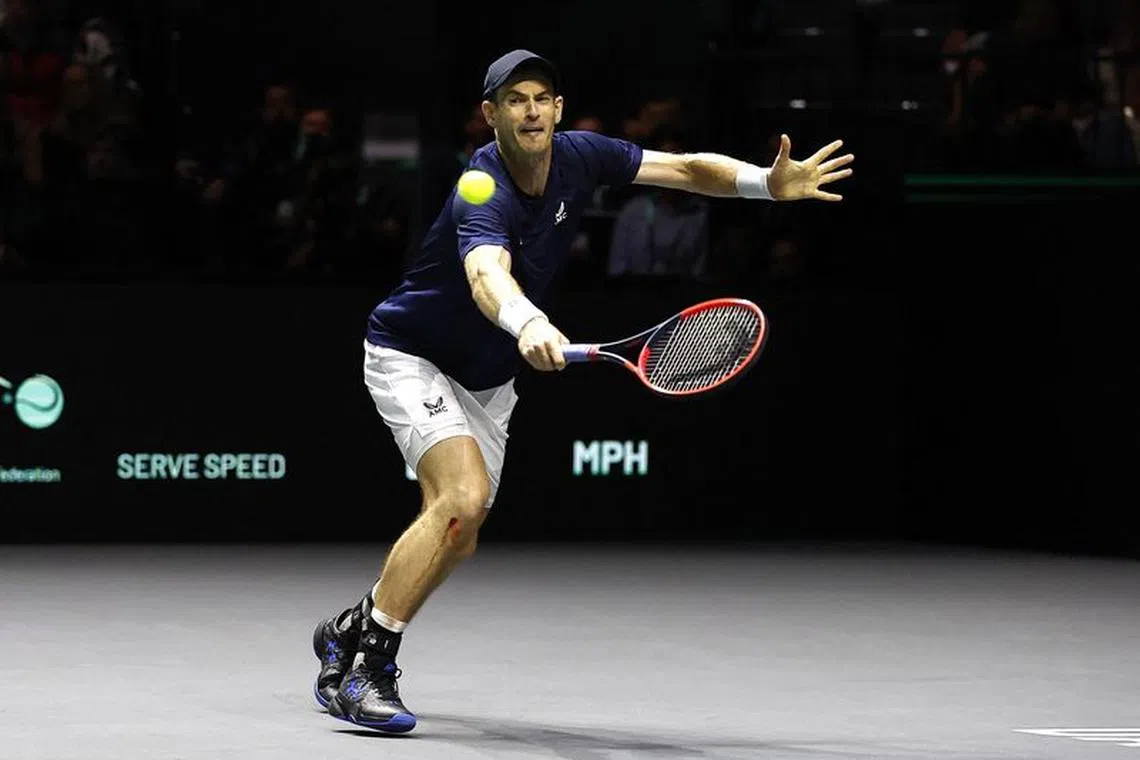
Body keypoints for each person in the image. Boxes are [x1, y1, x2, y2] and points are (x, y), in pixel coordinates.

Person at [312, 49, 854, 733]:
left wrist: (764, 185)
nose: (531, 109)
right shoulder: (482, 186)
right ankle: (365, 670)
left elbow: (683, 169)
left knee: (461, 530)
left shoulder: (580, 155)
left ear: (558, 109)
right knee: (463, 497)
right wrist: (528, 322)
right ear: (492, 115)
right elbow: (486, 276)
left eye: (542, 97)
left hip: (487, 379)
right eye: (515, 100)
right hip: (411, 356)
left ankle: (350, 627)